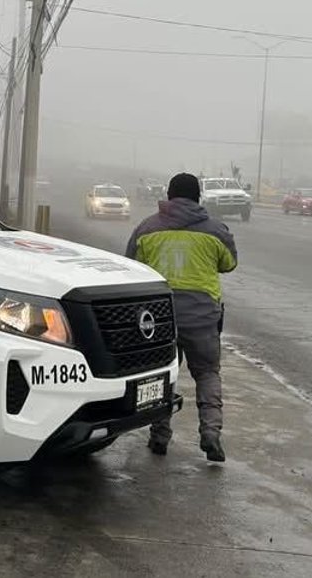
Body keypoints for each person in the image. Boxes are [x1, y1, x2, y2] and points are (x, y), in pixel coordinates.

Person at [125, 172, 237, 462]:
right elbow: (229, 263)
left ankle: (159, 436)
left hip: (160, 321)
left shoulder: (146, 229)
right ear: (198, 197)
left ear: (169, 196)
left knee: (163, 375)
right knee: (208, 374)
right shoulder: (216, 230)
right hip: (203, 318)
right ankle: (211, 433)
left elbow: (131, 268)